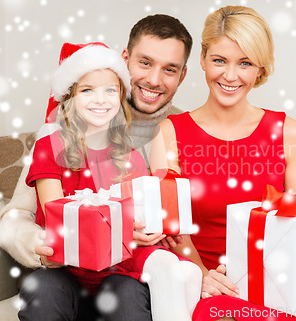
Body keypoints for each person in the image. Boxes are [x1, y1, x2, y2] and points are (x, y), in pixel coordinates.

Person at [0, 14, 296, 320]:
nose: (153, 79)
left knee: (132, 295)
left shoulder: (172, 131)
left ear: (184, 75)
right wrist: (46, 250)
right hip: (65, 271)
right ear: (123, 60)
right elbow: (19, 215)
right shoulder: (61, 134)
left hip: (128, 276)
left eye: (169, 69)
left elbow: (290, 202)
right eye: (145, 63)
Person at [150, 6, 296, 320]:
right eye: (219, 60)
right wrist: (204, 275)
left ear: (260, 70)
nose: (230, 75)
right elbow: (173, 231)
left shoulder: (288, 131)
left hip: (279, 286)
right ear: (203, 60)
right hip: (212, 285)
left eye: (245, 63)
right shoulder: (169, 134)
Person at [20, 41, 201, 321]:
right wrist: (121, 233)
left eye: (110, 90)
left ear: (121, 96)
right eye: (88, 90)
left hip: (116, 275)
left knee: (129, 291)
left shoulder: (130, 158)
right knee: (44, 287)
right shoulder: (49, 148)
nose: (100, 99)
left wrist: (148, 231)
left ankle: (176, 278)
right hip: (65, 270)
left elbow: (135, 223)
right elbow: (62, 220)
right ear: (70, 96)